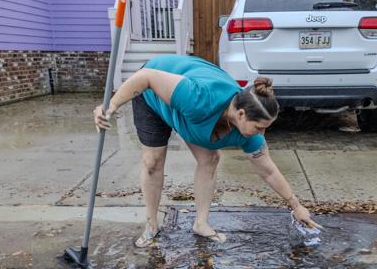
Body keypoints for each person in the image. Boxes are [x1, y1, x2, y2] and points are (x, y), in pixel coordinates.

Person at [94, 54, 320, 247]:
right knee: (153, 161)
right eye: (259, 127)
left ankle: (201, 223)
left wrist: (296, 206)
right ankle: (152, 224)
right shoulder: (200, 98)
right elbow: (146, 78)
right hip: (151, 94)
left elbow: (268, 170)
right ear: (241, 114)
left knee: (210, 158)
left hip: (192, 115)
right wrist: (110, 106)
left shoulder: (245, 129)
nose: (261, 133)